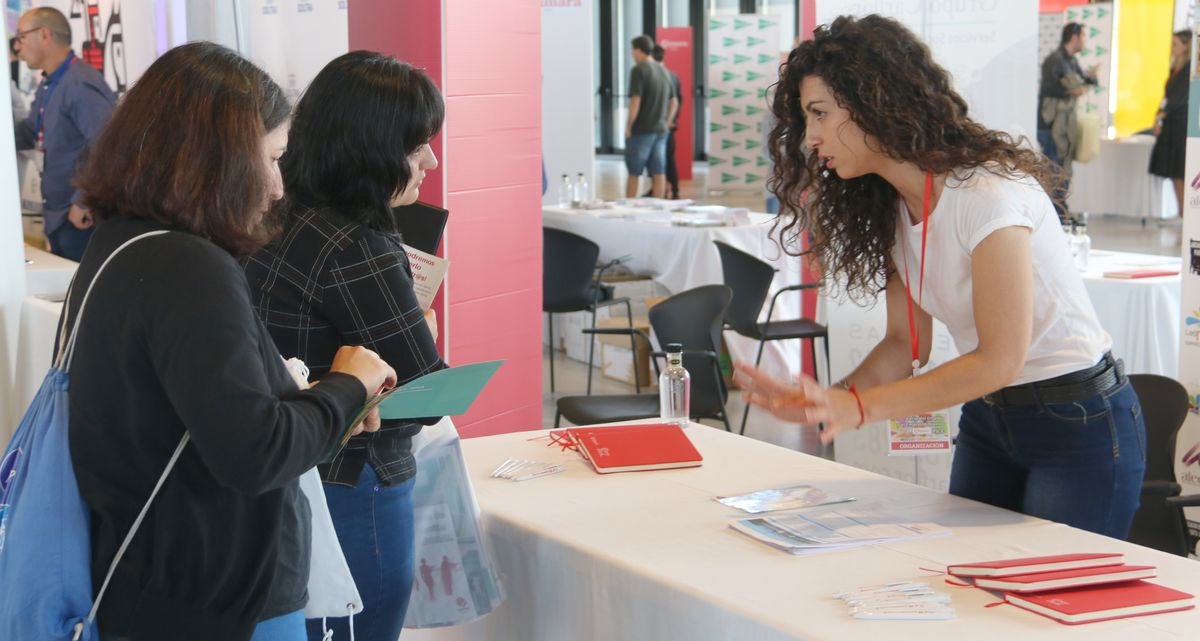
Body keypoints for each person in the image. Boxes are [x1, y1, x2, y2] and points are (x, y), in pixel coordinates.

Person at [739, 15, 1145, 539]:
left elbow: (999, 359)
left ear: (873, 102)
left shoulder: (989, 197)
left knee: (1047, 604)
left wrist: (857, 408)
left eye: (819, 114)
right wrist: (828, 399)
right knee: (970, 586)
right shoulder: (891, 207)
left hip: (1078, 423)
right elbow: (905, 343)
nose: (811, 137)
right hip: (990, 421)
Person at [67, 42, 396, 641]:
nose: (277, 188)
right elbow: (256, 453)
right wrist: (351, 385)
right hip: (216, 601)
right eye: (271, 159)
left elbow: (194, 413)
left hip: (147, 579)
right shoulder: (189, 268)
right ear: (217, 161)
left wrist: (318, 400)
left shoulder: (121, 243)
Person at [242, 51, 447, 641]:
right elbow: (425, 392)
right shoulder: (357, 246)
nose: (430, 161)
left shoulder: (274, 213)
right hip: (355, 479)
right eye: (417, 147)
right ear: (373, 148)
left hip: (289, 469)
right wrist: (424, 332)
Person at [12, 7, 115, 261]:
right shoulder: (50, 84)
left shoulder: (79, 84)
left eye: (21, 37)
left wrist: (83, 200)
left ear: (45, 35)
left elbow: (110, 144)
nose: (17, 47)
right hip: (58, 217)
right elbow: (30, 131)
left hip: (79, 219)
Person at [1037, 22, 1098, 219]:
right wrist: (1070, 91)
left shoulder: (1071, 61)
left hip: (1065, 125)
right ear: (1074, 37)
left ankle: (1060, 209)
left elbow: (1083, 81)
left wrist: (1091, 78)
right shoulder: (1054, 60)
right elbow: (1048, 88)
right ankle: (1054, 211)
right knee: (1054, 167)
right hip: (1051, 125)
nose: (1085, 41)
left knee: (1063, 166)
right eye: (1083, 36)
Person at [625, 34, 677, 198]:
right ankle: (658, 206)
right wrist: (667, 121)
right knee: (658, 171)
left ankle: (629, 206)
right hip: (661, 130)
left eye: (633, 51)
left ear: (639, 50)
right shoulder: (664, 70)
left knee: (634, 171)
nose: (632, 54)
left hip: (643, 129)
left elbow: (635, 100)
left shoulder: (638, 70)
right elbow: (674, 101)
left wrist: (628, 126)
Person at [1149, 30, 1192, 217]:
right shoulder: (1177, 69)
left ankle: (1185, 213)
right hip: (1171, 124)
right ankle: (1181, 211)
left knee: (1180, 171)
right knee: (1175, 171)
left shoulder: (1189, 69)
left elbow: (1179, 98)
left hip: (1180, 125)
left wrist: (1161, 116)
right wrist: (1158, 115)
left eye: (1176, 44)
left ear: (1185, 46)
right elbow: (1166, 98)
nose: (1172, 48)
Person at [651, 44, 681, 199]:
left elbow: (674, 101)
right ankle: (672, 190)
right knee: (667, 158)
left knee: (659, 160)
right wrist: (673, 120)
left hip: (658, 125)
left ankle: (662, 191)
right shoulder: (673, 75)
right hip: (668, 124)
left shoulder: (655, 74)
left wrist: (668, 120)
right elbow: (678, 101)